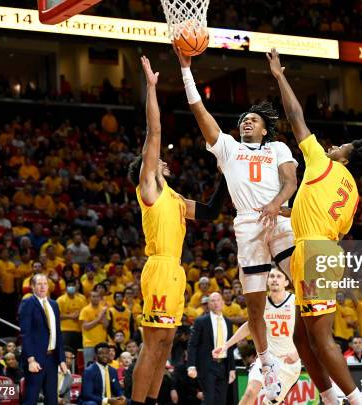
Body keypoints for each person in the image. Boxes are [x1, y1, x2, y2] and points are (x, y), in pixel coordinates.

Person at [175, 44, 298, 400]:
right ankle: (267, 363)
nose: (247, 120)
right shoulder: (228, 147)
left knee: (306, 282)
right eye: (244, 118)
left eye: (254, 119)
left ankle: (309, 346)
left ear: (264, 130)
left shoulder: (278, 149)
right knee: (255, 306)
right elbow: (200, 112)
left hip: (280, 218)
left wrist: (276, 204)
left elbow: (291, 182)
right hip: (247, 225)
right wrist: (186, 71)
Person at [267, 49, 362, 405]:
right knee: (301, 339)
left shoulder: (319, 161)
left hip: (313, 254)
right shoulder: (351, 191)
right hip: (320, 251)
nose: (332, 146)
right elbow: (323, 221)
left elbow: (295, 115)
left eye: (339, 146)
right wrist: (282, 212)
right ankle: (328, 398)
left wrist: (279, 77)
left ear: (345, 158)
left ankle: (358, 401)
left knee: (322, 340)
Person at [126, 56, 227, 405]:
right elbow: (154, 132)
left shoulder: (177, 198)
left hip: (176, 272)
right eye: (155, 161)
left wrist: (227, 173)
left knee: (166, 344)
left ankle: (152, 401)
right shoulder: (149, 189)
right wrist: (152, 88)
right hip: (158, 268)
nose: (162, 160)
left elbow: (212, 212)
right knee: (152, 344)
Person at [213, 268, 300, 405]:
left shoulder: (296, 302)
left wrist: (298, 353)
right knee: (250, 392)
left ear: (286, 282)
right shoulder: (261, 303)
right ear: (267, 281)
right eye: (271, 276)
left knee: (268, 403)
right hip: (267, 359)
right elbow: (250, 326)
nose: (275, 279)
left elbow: (309, 333)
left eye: (278, 276)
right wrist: (226, 345)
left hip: (289, 363)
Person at [18, 273, 69, 405]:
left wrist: (62, 359)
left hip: (52, 359)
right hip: (36, 359)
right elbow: (25, 334)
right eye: (39, 284)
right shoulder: (27, 303)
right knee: (31, 398)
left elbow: (57, 333)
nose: (42, 287)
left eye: (45, 284)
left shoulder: (54, 304)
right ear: (33, 287)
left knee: (52, 400)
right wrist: (31, 360)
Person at [187, 293, 235, 405]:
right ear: (208, 304)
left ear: (223, 302)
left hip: (223, 366)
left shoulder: (228, 322)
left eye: (218, 300)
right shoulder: (201, 321)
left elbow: (230, 347)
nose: (216, 303)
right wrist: (191, 365)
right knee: (209, 399)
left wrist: (232, 368)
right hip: (207, 365)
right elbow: (192, 344)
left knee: (221, 400)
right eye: (212, 301)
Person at [79, 291, 109, 366]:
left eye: (97, 296)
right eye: (93, 296)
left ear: (100, 298)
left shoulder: (103, 309)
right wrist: (98, 319)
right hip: (89, 343)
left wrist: (103, 315)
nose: (95, 298)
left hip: (102, 343)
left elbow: (106, 325)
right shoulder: (85, 310)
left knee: (103, 365)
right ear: (89, 298)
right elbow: (86, 327)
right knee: (89, 365)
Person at [57, 280, 87, 352]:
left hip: (79, 330)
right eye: (69, 286)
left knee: (78, 353)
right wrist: (71, 316)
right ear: (66, 287)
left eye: (73, 286)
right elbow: (56, 315)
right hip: (65, 331)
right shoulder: (60, 300)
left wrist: (79, 316)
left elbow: (85, 313)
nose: (71, 287)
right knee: (65, 352)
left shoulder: (81, 299)